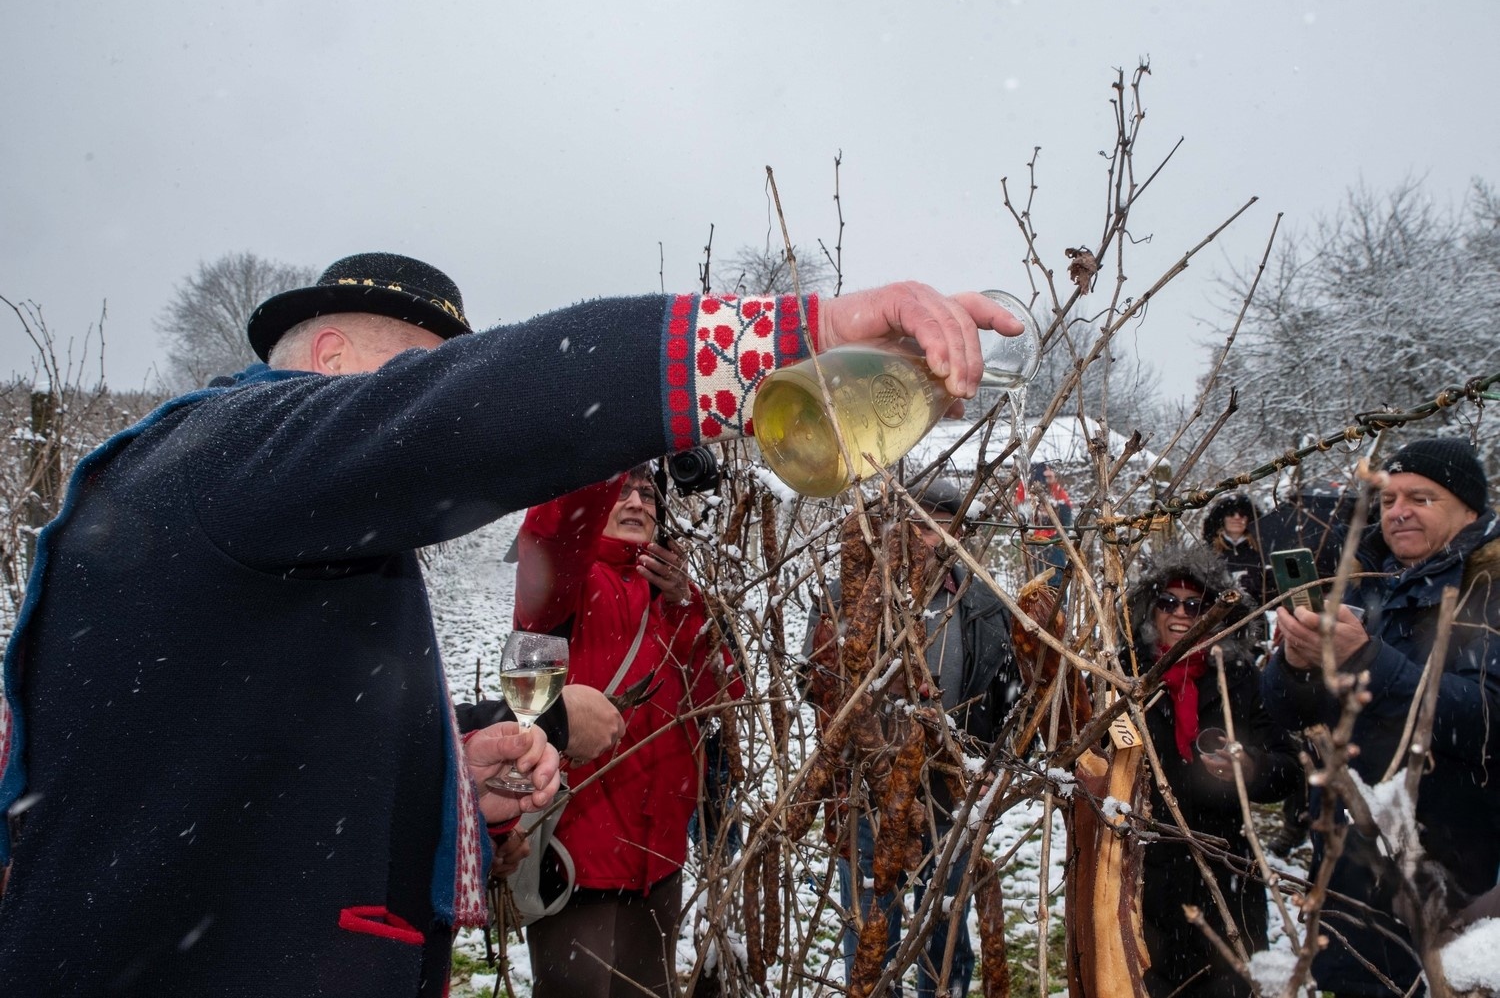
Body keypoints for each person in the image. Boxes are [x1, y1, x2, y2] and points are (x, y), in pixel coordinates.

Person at [0, 251, 1022, 996]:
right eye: (409, 380)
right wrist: (790, 338)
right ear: (325, 352)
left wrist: (450, 750)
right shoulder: (226, 447)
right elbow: (482, 421)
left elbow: (237, 749)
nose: (415, 422)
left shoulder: (266, 526)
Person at [1261, 437, 1500, 997]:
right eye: (1388, 500)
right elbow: (1289, 715)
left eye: (1421, 497)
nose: (1398, 512)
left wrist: (1367, 660)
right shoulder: (1360, 579)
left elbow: (1488, 720)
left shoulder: (1486, 594)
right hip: (1344, 874)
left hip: (1452, 885)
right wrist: (1295, 667)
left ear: (1470, 511)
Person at [512, 463, 740, 998]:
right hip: (579, 859)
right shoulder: (566, 582)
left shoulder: (675, 597)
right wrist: (607, 444)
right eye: (622, 491)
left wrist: (687, 608)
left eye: (648, 494)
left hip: (658, 861)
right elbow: (552, 531)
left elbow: (718, 697)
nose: (637, 503)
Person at [804, 478, 1020, 998]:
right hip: (867, 799)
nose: (929, 540)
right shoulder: (846, 598)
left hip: (949, 797)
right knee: (871, 934)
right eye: (919, 526)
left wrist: (993, 760)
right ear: (894, 528)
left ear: (961, 536)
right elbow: (818, 690)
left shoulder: (984, 606)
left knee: (945, 928)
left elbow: (1009, 697)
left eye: (944, 529)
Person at [1126, 547, 1302, 998]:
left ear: (1217, 613)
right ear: (1151, 610)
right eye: (1168, 602)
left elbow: (1288, 769)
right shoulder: (1127, 678)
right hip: (1146, 871)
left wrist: (1250, 768)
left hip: (1228, 870)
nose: (1181, 613)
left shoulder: (1239, 678)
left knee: (1231, 985)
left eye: (1196, 604)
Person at [1200, 491, 1269, 610]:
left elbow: (1272, 593)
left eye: (1242, 514)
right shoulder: (1208, 552)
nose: (1237, 517)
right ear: (1222, 519)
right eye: (1231, 513)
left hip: (1256, 617)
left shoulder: (1262, 550)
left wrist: (1257, 588)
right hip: (1219, 618)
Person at [1016, 461, 1073, 586]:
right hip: (1034, 541)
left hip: (1054, 540)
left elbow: (1066, 512)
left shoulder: (1055, 490)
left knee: (1056, 579)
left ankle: (1058, 603)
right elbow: (1021, 513)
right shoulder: (1025, 489)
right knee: (1034, 581)